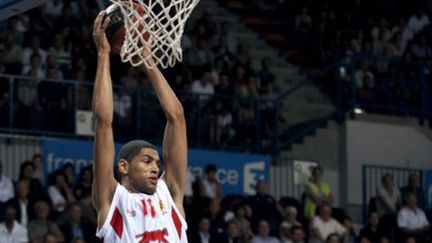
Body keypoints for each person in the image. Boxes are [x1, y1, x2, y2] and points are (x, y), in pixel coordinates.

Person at [91, 11, 188, 242]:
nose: (156, 167)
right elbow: (104, 123)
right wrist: (104, 54)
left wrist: (147, 62)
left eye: (157, 162)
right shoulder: (113, 199)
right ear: (123, 166)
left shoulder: (170, 193)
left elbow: (177, 118)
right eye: (147, 161)